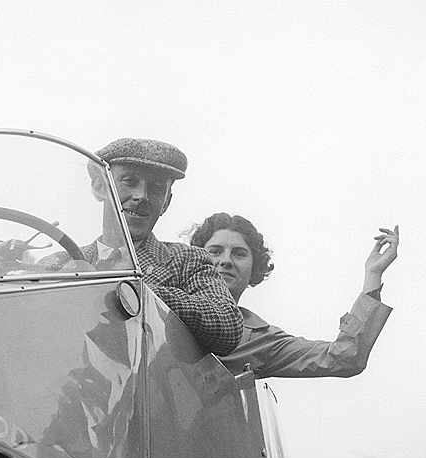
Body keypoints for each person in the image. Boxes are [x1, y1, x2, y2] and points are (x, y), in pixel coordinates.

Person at [40, 138, 243, 356]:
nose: (141, 196)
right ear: (100, 186)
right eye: (129, 181)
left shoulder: (187, 260)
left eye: (156, 188)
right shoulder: (59, 263)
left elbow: (228, 326)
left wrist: (143, 294)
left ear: (166, 202)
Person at [187, 212, 398, 378]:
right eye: (215, 251)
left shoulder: (261, 341)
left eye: (239, 254)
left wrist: (373, 274)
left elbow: (345, 356)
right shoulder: (170, 301)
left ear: (254, 267)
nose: (226, 260)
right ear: (194, 258)